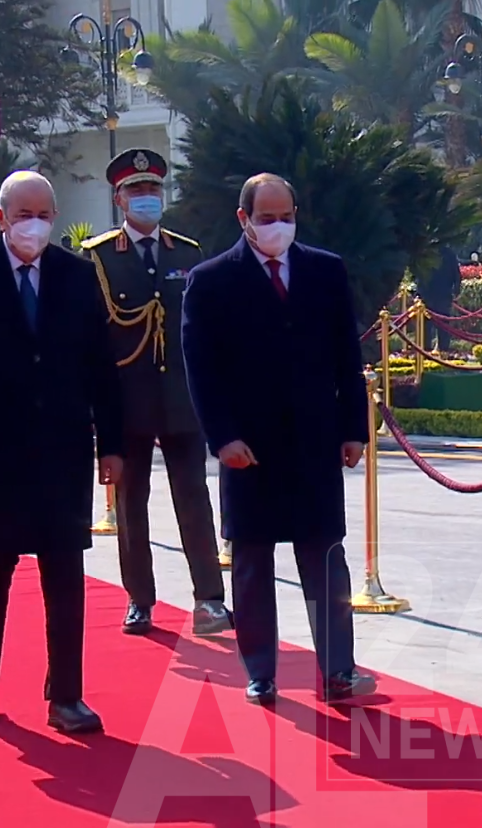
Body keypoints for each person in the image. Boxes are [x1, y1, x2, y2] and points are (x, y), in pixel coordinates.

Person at [0, 170, 125, 735]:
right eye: (24, 214)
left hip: (60, 452)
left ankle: (66, 697)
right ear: (0, 217)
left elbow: (100, 369)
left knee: (65, 577)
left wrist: (112, 444)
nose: (34, 225)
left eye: (44, 214)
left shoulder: (78, 276)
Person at [180, 173, 375, 706]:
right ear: (244, 220)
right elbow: (202, 369)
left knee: (324, 558)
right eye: (267, 219)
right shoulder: (212, 280)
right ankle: (261, 670)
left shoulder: (324, 271)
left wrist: (354, 428)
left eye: (286, 216)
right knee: (252, 561)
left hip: (313, 440)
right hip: (249, 446)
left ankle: (338, 670)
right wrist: (222, 438)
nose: (278, 227)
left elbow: (345, 357)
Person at [80, 148, 231, 637]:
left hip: (182, 399)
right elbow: (95, 339)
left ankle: (209, 599)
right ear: (119, 198)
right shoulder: (99, 257)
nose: (147, 197)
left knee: (194, 498)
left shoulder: (187, 253)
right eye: (136, 190)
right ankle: (139, 598)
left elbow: (204, 329)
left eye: (153, 189)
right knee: (131, 504)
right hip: (128, 402)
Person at [415, 245, 461, 351]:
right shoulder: (449, 253)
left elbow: (419, 274)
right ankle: (442, 349)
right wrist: (456, 291)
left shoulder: (425, 252)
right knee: (442, 325)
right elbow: (456, 275)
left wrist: (418, 291)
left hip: (429, 294)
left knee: (427, 326)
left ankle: (425, 350)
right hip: (442, 294)